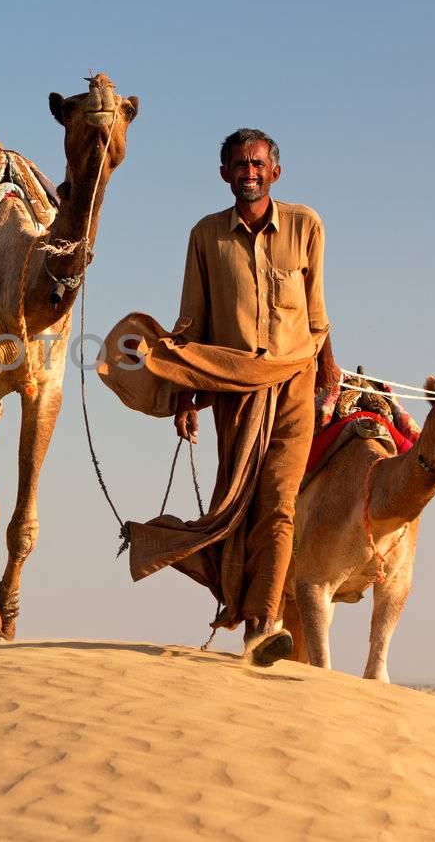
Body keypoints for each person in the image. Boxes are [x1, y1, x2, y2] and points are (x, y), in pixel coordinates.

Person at [99, 128, 334, 667]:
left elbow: (317, 312)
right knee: (236, 506)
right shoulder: (206, 236)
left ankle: (262, 625)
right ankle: (160, 542)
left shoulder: (306, 225)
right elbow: (192, 326)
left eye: (258, 164)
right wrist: (184, 399)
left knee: (278, 501)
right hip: (232, 387)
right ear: (224, 173)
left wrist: (328, 362)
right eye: (239, 165)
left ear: (275, 171)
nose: (249, 172)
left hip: (295, 378)